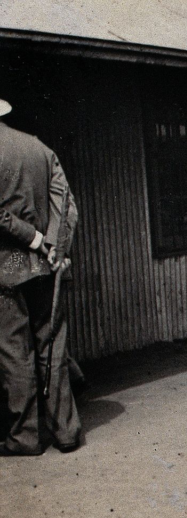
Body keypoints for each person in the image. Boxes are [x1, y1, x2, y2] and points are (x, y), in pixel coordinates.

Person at [0, 97, 82, 455]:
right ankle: (66, 433)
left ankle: (25, 437)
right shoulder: (39, 147)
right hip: (46, 266)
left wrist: (31, 239)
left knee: (14, 353)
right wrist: (53, 246)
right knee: (53, 348)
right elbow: (65, 205)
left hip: (6, 267)